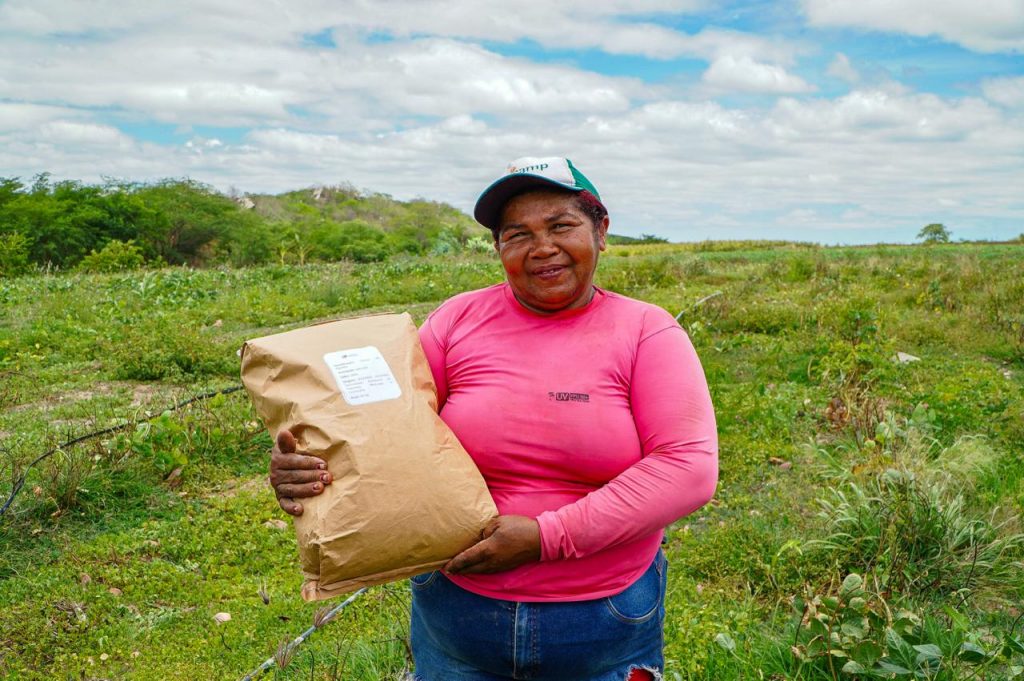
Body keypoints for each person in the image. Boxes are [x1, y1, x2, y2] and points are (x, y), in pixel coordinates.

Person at [268, 157, 718, 681]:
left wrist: (546, 537)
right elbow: (382, 429)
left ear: (601, 232)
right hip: (457, 612)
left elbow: (687, 468)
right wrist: (307, 467)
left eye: (561, 225)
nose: (542, 248)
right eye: (517, 234)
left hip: (601, 616)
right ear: (498, 249)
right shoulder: (457, 320)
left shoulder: (646, 331)